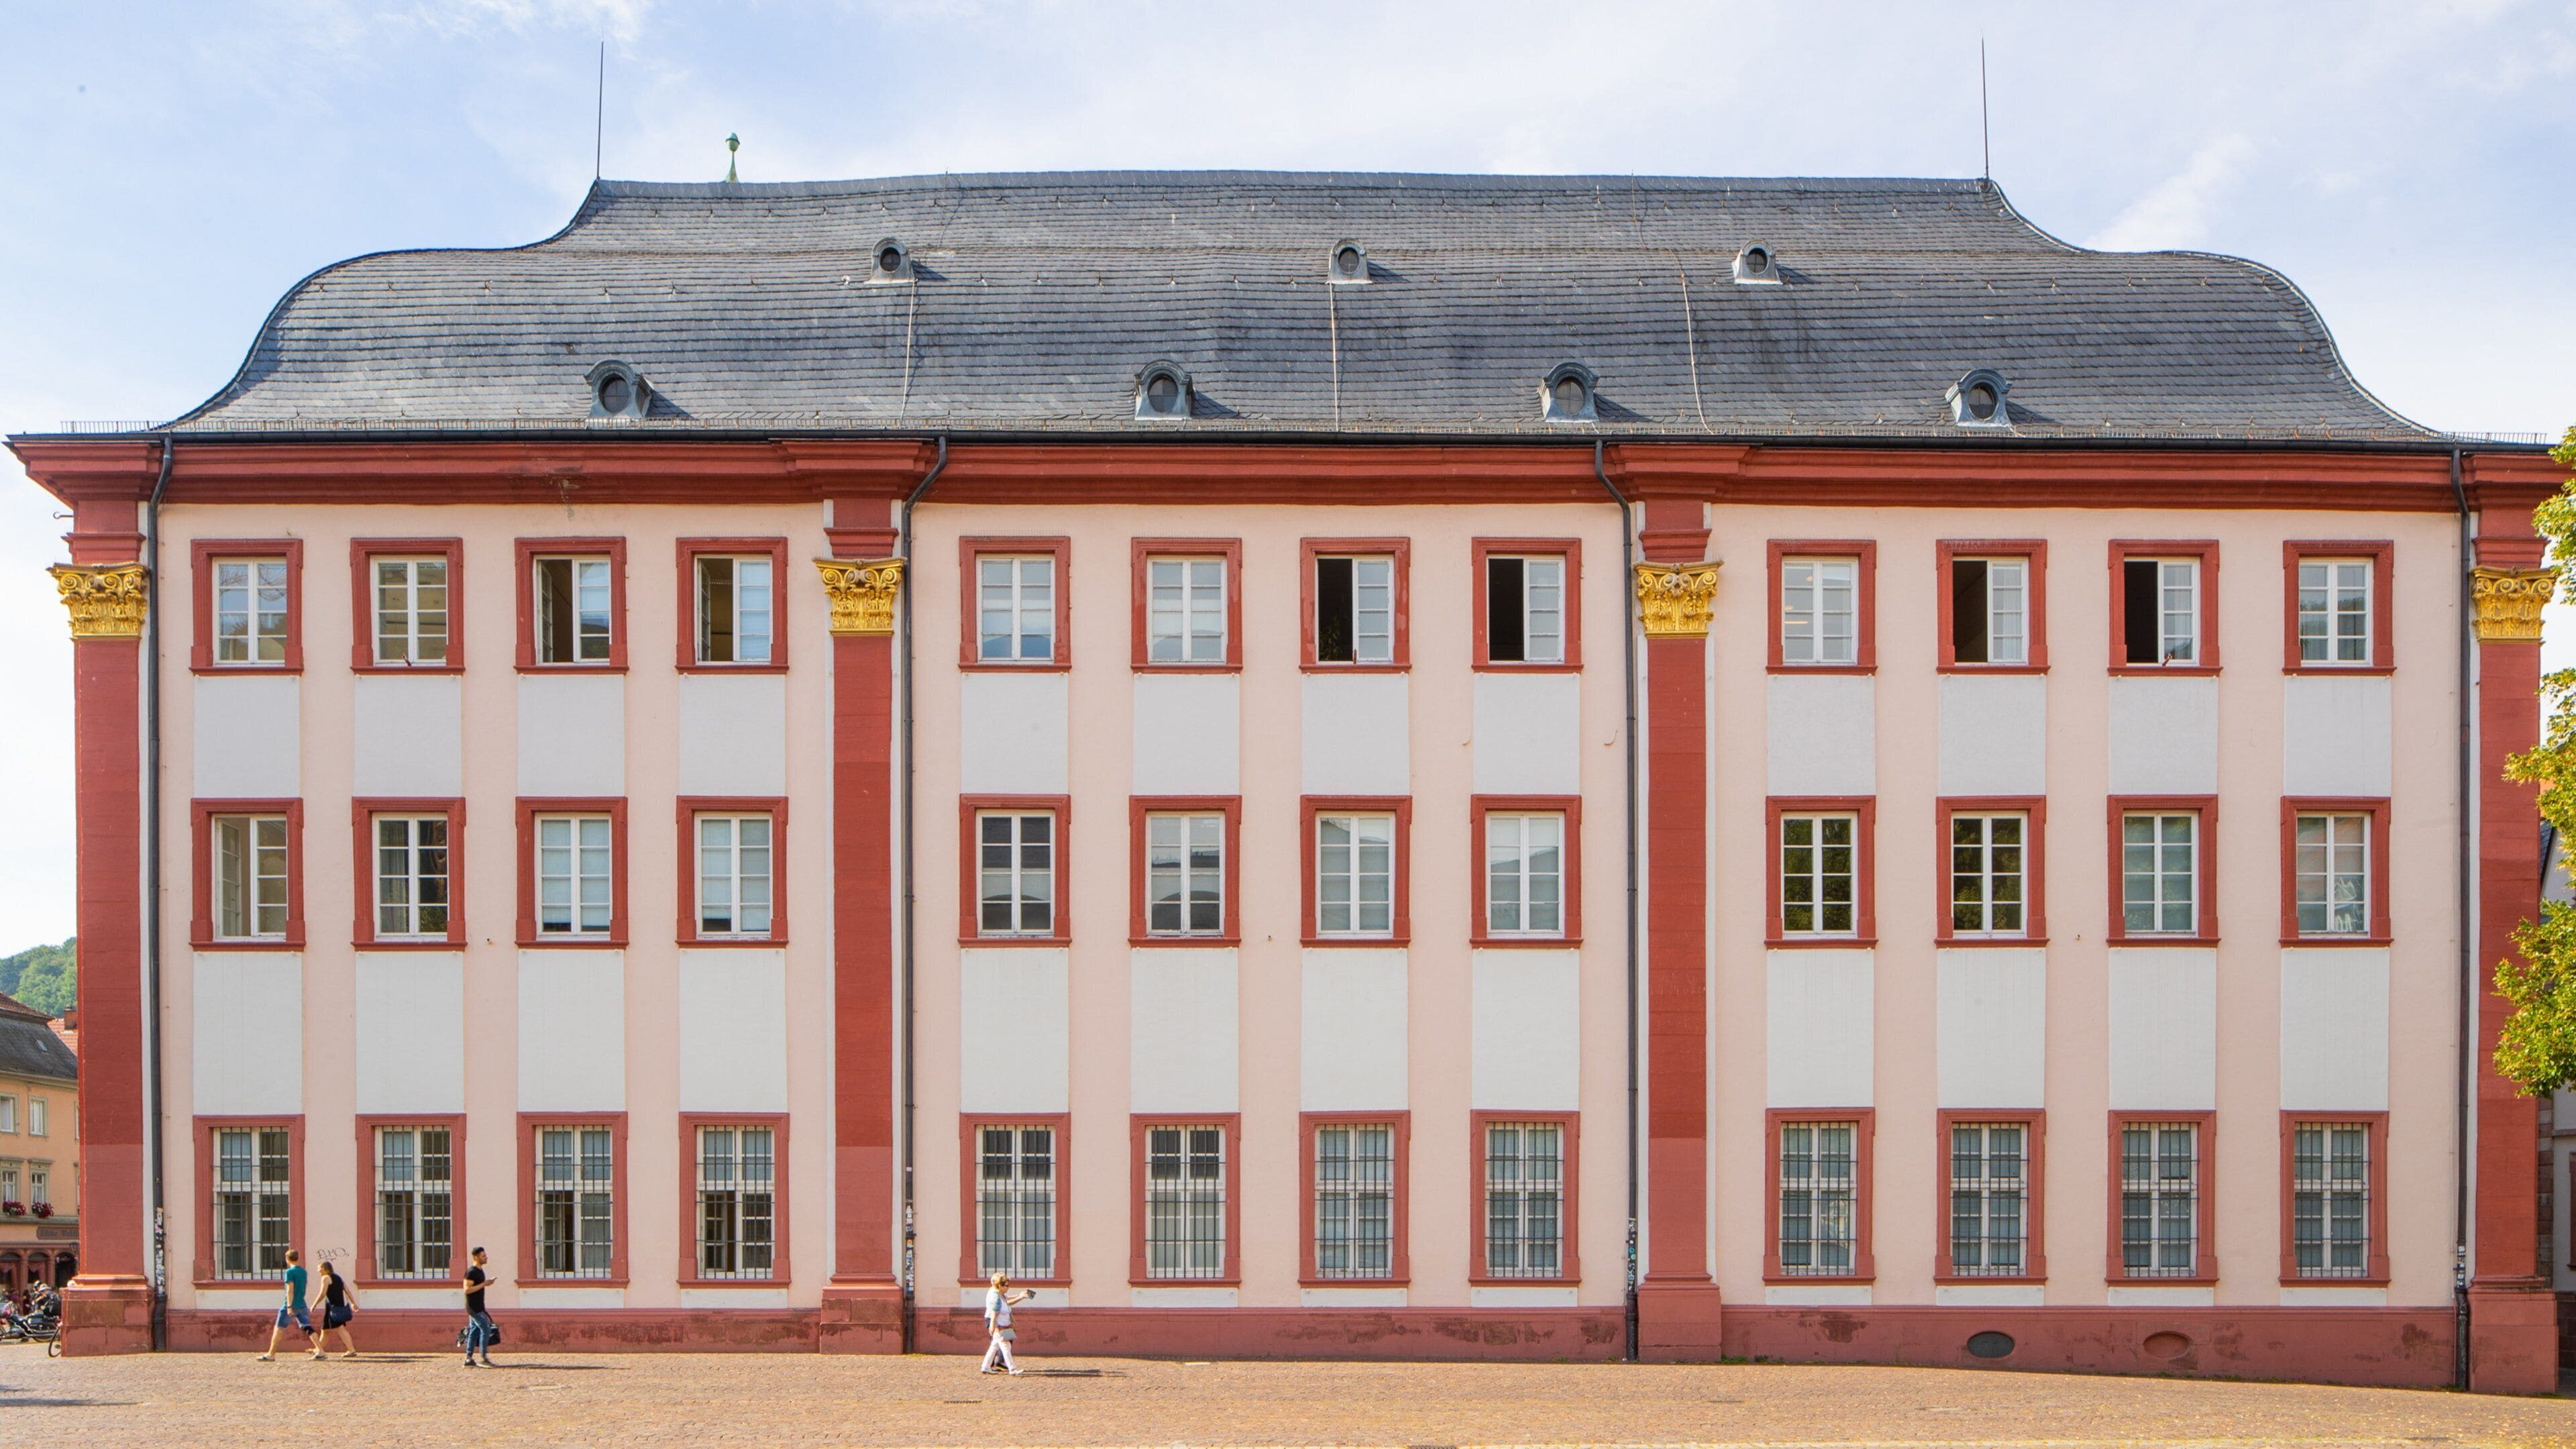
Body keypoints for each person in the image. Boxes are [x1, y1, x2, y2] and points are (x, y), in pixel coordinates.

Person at [255, 1248, 319, 1362]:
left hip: (291, 1305)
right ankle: (321, 1351)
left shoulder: (289, 1272)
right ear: (297, 1258)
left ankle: (271, 1354)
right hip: (302, 1304)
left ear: (287, 1259)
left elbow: (290, 1289)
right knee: (308, 1327)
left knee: (278, 1329)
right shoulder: (303, 1271)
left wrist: (289, 1306)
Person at [979, 1271, 1031, 1375]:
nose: (1008, 1287)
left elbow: (1006, 1301)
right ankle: (1013, 1369)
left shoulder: (999, 1293)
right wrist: (993, 1326)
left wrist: (1019, 1295)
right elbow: (995, 1312)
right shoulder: (995, 1297)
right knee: (1006, 1346)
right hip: (1000, 1325)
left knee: (995, 1346)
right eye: (1007, 1285)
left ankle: (985, 1367)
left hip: (1001, 1324)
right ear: (1000, 1286)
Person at [315, 1256, 358, 1358]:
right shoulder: (338, 1277)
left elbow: (322, 1294)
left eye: (320, 1269)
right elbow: (348, 1291)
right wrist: (353, 1303)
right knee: (325, 1330)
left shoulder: (325, 1278)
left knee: (340, 1328)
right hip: (338, 1306)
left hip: (333, 1308)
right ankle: (318, 1350)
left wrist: (314, 1304)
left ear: (325, 1268)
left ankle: (351, 1350)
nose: (318, 1271)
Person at [461, 1246, 498, 1367]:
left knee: (474, 1331)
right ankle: (483, 1357)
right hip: (473, 1308)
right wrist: (484, 1284)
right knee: (486, 1329)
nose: (486, 1257)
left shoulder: (480, 1271)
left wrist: (486, 1283)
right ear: (476, 1257)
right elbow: (467, 1290)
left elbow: (478, 1286)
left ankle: (468, 1358)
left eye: (485, 1255)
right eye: (483, 1256)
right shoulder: (471, 1272)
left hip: (479, 1306)